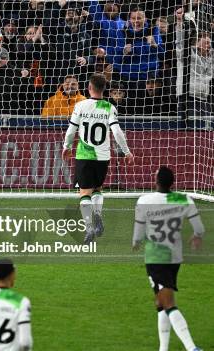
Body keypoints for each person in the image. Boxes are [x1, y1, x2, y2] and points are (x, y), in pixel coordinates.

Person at [132, 166, 205, 351]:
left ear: (156, 180)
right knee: (160, 302)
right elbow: (199, 228)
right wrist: (196, 236)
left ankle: (191, 347)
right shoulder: (182, 199)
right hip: (174, 257)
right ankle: (163, 349)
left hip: (156, 257)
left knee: (168, 303)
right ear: (172, 182)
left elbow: (138, 232)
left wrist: (136, 242)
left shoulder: (145, 200)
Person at [62, 73, 134, 244]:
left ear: (89, 88)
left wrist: (66, 147)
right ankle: (98, 215)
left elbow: (71, 131)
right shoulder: (110, 107)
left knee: (84, 192)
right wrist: (126, 151)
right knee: (98, 189)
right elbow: (117, 132)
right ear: (104, 90)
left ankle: (89, 228)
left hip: (84, 155)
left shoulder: (80, 105)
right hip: (103, 156)